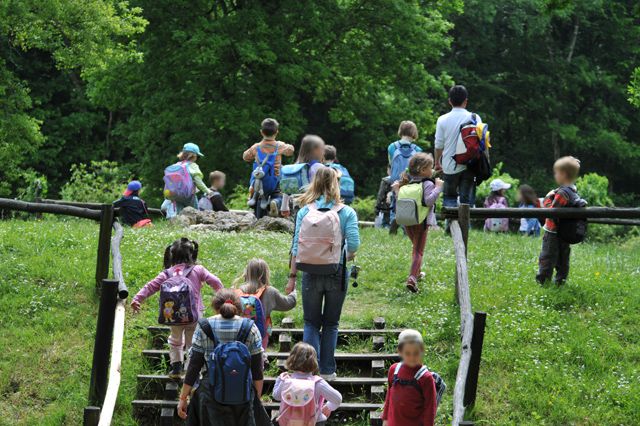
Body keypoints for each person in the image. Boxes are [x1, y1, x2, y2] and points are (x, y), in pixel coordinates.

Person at [288, 167, 360, 380]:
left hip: (309, 272)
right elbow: (354, 244)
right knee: (331, 323)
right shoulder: (346, 212)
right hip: (336, 273)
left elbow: (295, 248)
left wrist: (292, 277)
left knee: (311, 322)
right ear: (336, 184)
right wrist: (343, 255)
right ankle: (327, 371)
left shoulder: (304, 211)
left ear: (314, 183)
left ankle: (308, 370)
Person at [130, 238, 224, 377]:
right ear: (191, 254)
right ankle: (191, 370)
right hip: (194, 315)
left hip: (172, 316)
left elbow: (150, 286)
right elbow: (215, 282)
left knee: (175, 340)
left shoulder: (167, 273)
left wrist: (137, 298)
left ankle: (176, 368)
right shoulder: (198, 270)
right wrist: (222, 296)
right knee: (193, 343)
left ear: (171, 255)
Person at [177, 289, 267, 426]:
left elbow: (194, 366)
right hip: (242, 393)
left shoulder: (204, 326)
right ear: (238, 307)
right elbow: (257, 370)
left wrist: (183, 397)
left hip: (210, 393)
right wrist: (256, 398)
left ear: (215, 307)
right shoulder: (250, 327)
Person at [395, 154, 443, 292]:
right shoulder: (428, 184)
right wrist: (438, 187)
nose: (432, 170)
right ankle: (412, 279)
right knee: (418, 251)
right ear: (423, 170)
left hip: (407, 221)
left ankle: (418, 272)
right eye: (430, 167)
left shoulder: (408, 185)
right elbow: (428, 201)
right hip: (421, 222)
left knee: (415, 249)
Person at [536, 156, 586, 285]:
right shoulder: (573, 192)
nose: (555, 175)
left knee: (547, 257)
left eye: (556, 173)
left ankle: (543, 282)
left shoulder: (562, 193)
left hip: (553, 231)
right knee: (563, 259)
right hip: (564, 232)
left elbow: (551, 211)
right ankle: (560, 281)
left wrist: (547, 198)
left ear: (563, 174)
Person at [272, 342, 343, 425]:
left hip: (289, 422)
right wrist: (329, 407)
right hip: (314, 422)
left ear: (291, 359)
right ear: (314, 361)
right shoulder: (318, 383)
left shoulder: (285, 379)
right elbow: (337, 399)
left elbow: (276, 396)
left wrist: (282, 382)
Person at [434, 85, 481, 211]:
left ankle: (450, 227)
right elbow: (481, 142)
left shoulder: (442, 119)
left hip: (449, 165)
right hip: (470, 165)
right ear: (466, 101)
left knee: (449, 197)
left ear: (450, 101)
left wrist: (437, 163)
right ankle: (465, 228)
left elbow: (439, 145)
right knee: (466, 200)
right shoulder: (475, 117)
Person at [234, 258, 297, 349]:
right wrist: (293, 293)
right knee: (260, 354)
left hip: (242, 330)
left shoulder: (238, 292)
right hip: (262, 330)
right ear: (265, 274)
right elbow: (288, 304)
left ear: (247, 273)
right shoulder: (270, 291)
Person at [381, 330, 437, 426]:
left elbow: (430, 408)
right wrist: (385, 419)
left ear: (422, 350)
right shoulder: (394, 370)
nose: (412, 357)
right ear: (400, 352)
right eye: (407, 353)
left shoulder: (425, 378)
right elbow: (389, 396)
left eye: (416, 353)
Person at [243, 118, 295, 216]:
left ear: (261, 132)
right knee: (278, 194)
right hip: (275, 179)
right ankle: (275, 202)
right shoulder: (279, 145)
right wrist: (288, 147)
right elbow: (290, 151)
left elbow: (245, 157)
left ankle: (259, 220)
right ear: (277, 132)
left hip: (260, 181)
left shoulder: (256, 147)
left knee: (260, 197)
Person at [387, 121, 422, 234]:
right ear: (414, 132)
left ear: (400, 131)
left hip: (397, 180)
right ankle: (407, 227)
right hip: (412, 180)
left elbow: (391, 164)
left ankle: (394, 220)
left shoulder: (392, 147)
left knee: (395, 201)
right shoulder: (418, 149)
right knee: (410, 202)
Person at [167, 142, 212, 212]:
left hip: (176, 195)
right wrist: (208, 191)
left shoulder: (177, 165)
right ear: (193, 156)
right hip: (189, 195)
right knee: (195, 213)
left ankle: (179, 223)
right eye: (197, 156)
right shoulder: (193, 166)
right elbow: (198, 181)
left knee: (180, 213)